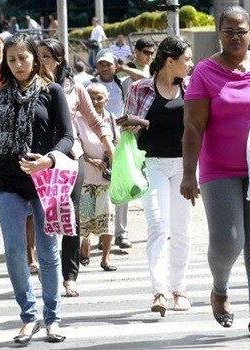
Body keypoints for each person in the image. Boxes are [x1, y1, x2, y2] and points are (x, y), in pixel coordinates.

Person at [180, 6, 250, 340]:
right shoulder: (205, 71)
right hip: (219, 168)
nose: (234, 37)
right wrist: (189, 174)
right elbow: (193, 125)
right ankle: (220, 287)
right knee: (229, 239)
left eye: (240, 31)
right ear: (219, 32)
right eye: (228, 31)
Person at [0, 33, 73, 343]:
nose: (17, 64)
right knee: (15, 253)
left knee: (47, 252)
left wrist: (49, 160)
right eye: (11, 59)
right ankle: (28, 316)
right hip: (8, 183)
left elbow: (68, 137)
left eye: (23, 58)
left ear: (36, 58)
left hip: (46, 181)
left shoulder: (52, 92)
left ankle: (52, 317)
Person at [38, 38, 115, 297]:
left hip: (71, 157)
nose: (41, 62)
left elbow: (94, 121)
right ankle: (45, 266)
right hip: (40, 160)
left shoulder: (75, 89)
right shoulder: (30, 87)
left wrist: (109, 147)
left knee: (71, 217)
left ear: (59, 60)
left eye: (46, 57)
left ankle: (70, 276)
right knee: (44, 216)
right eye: (38, 56)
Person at [126, 36, 194, 317]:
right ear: (170, 61)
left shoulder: (191, 89)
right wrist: (134, 125)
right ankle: (159, 292)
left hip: (184, 167)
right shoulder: (141, 88)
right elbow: (127, 126)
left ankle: (179, 290)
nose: (190, 64)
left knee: (181, 231)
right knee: (158, 227)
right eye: (186, 59)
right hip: (152, 165)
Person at [85, 49, 132, 250]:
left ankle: (121, 233)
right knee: (95, 190)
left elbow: (145, 77)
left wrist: (123, 68)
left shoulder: (122, 83)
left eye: (108, 64)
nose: (104, 68)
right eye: (101, 64)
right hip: (93, 142)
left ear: (115, 65)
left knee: (120, 189)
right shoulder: (88, 85)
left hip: (118, 140)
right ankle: (99, 235)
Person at [78, 82, 117, 272]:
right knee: (85, 218)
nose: (95, 101)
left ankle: (106, 257)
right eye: (91, 97)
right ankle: (85, 244)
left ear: (107, 99)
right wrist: (92, 160)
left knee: (107, 217)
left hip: (107, 179)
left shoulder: (113, 120)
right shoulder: (78, 120)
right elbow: (74, 146)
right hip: (85, 177)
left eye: (99, 97)